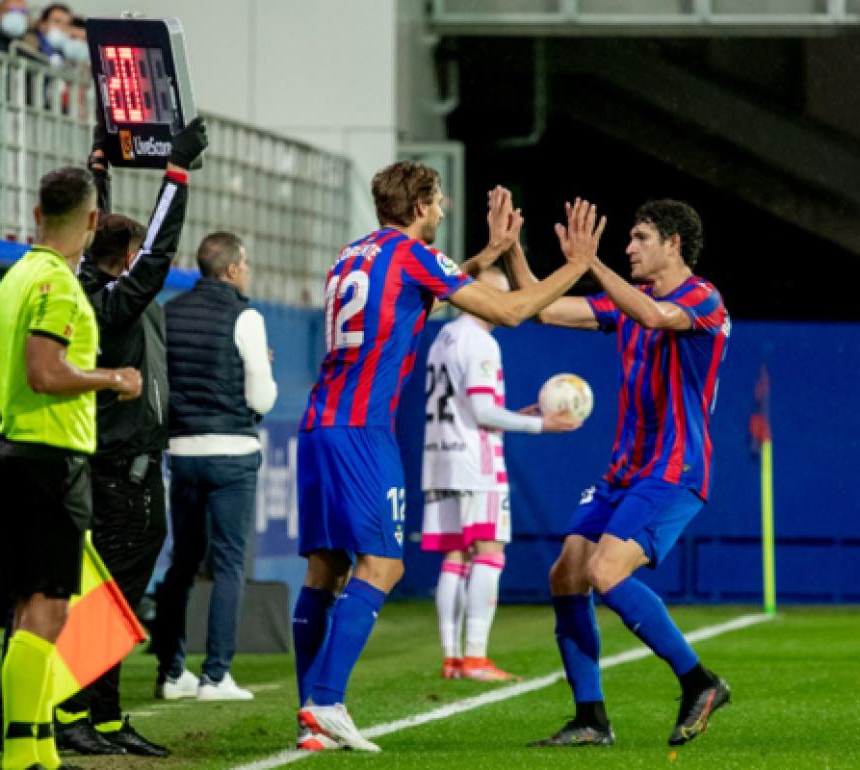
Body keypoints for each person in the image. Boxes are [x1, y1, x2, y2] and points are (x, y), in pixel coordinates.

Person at [291, 161, 605, 752]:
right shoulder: (411, 255)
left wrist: (489, 252)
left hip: (318, 425)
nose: (442, 210)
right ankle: (328, 701)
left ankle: (310, 715)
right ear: (416, 208)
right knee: (382, 567)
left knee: (324, 571)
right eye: (436, 202)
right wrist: (576, 266)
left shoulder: (354, 253)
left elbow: (421, 295)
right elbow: (511, 311)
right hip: (363, 430)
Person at [505, 199, 732, 749]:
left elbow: (654, 318)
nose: (629, 248)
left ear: (674, 243)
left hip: (674, 469)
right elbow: (542, 308)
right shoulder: (627, 304)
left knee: (605, 572)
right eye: (627, 239)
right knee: (567, 573)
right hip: (625, 472)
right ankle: (591, 719)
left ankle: (699, 681)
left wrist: (591, 264)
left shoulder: (702, 298)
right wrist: (511, 245)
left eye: (640, 238)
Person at [52, 117, 207, 757]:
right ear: (125, 263)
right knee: (108, 600)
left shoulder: (97, 284)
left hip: (123, 468)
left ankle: (106, 717)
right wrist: (175, 172)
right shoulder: (109, 303)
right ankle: (68, 712)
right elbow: (156, 254)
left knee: (114, 599)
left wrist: (98, 171)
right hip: (122, 473)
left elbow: (106, 240)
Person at [0, 166, 141, 770]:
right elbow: (44, 372)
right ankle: (25, 755)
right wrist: (114, 378)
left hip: (18, 456)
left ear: (35, 214)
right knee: (49, 610)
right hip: (49, 461)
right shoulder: (55, 286)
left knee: (35, 608)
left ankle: (38, 750)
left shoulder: (17, 276)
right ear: (94, 220)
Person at [421, 266, 580, 683]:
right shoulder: (481, 342)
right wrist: (541, 425)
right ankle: (476, 657)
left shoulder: (444, 336)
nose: (510, 304)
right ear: (484, 297)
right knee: (489, 552)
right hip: (476, 462)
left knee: (454, 557)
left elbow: (470, 406)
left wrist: (517, 414)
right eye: (504, 295)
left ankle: (452, 657)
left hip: (440, 455)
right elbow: (482, 412)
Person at [151, 230, 278, 702]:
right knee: (227, 565)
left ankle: (170, 672)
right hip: (231, 454)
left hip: (182, 454)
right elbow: (260, 395)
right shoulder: (245, 316)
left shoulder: (170, 312)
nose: (247, 272)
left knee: (181, 563)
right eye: (244, 264)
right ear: (230, 269)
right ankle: (216, 676)